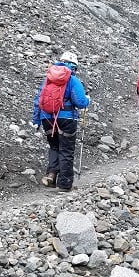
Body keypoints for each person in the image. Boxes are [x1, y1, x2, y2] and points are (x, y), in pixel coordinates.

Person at [32, 51, 91, 192]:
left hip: (46, 118)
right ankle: (64, 184)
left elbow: (38, 100)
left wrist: (36, 119)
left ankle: (51, 176)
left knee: (54, 147)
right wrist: (87, 100)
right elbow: (80, 102)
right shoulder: (72, 80)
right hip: (66, 119)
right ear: (74, 67)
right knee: (66, 150)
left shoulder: (47, 79)